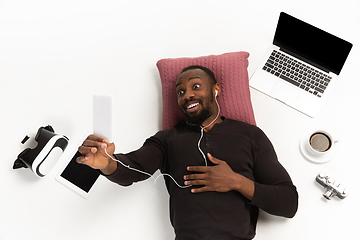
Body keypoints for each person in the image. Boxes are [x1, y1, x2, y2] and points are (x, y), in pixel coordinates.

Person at [77, 65, 298, 240]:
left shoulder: (250, 135)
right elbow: (133, 169)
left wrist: (237, 182)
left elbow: (289, 203)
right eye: (180, 92)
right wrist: (106, 163)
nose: (187, 95)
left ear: (216, 89)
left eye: (196, 86)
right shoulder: (167, 139)